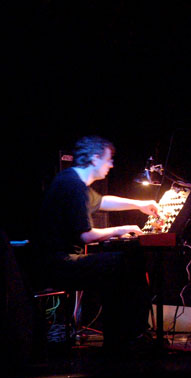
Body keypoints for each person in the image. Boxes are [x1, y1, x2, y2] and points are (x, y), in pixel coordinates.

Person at [34, 135, 160, 355]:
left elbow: (102, 201)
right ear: (94, 159)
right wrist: (122, 229)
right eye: (108, 159)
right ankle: (129, 339)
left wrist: (139, 204)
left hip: (53, 261)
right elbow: (87, 236)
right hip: (59, 264)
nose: (111, 165)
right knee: (126, 264)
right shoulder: (73, 186)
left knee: (120, 264)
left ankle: (122, 339)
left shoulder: (70, 179)